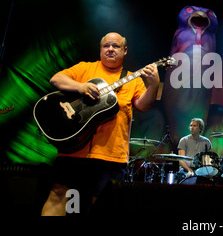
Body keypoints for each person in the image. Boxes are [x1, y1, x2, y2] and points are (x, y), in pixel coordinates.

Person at [41, 32, 160, 216]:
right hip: (74, 147)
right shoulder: (85, 68)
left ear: (125, 50)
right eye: (106, 46)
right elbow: (56, 79)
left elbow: (143, 105)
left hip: (110, 154)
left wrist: (153, 85)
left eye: (116, 46)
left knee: (101, 206)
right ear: (100, 49)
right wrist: (80, 87)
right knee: (59, 195)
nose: (110, 49)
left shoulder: (133, 79)